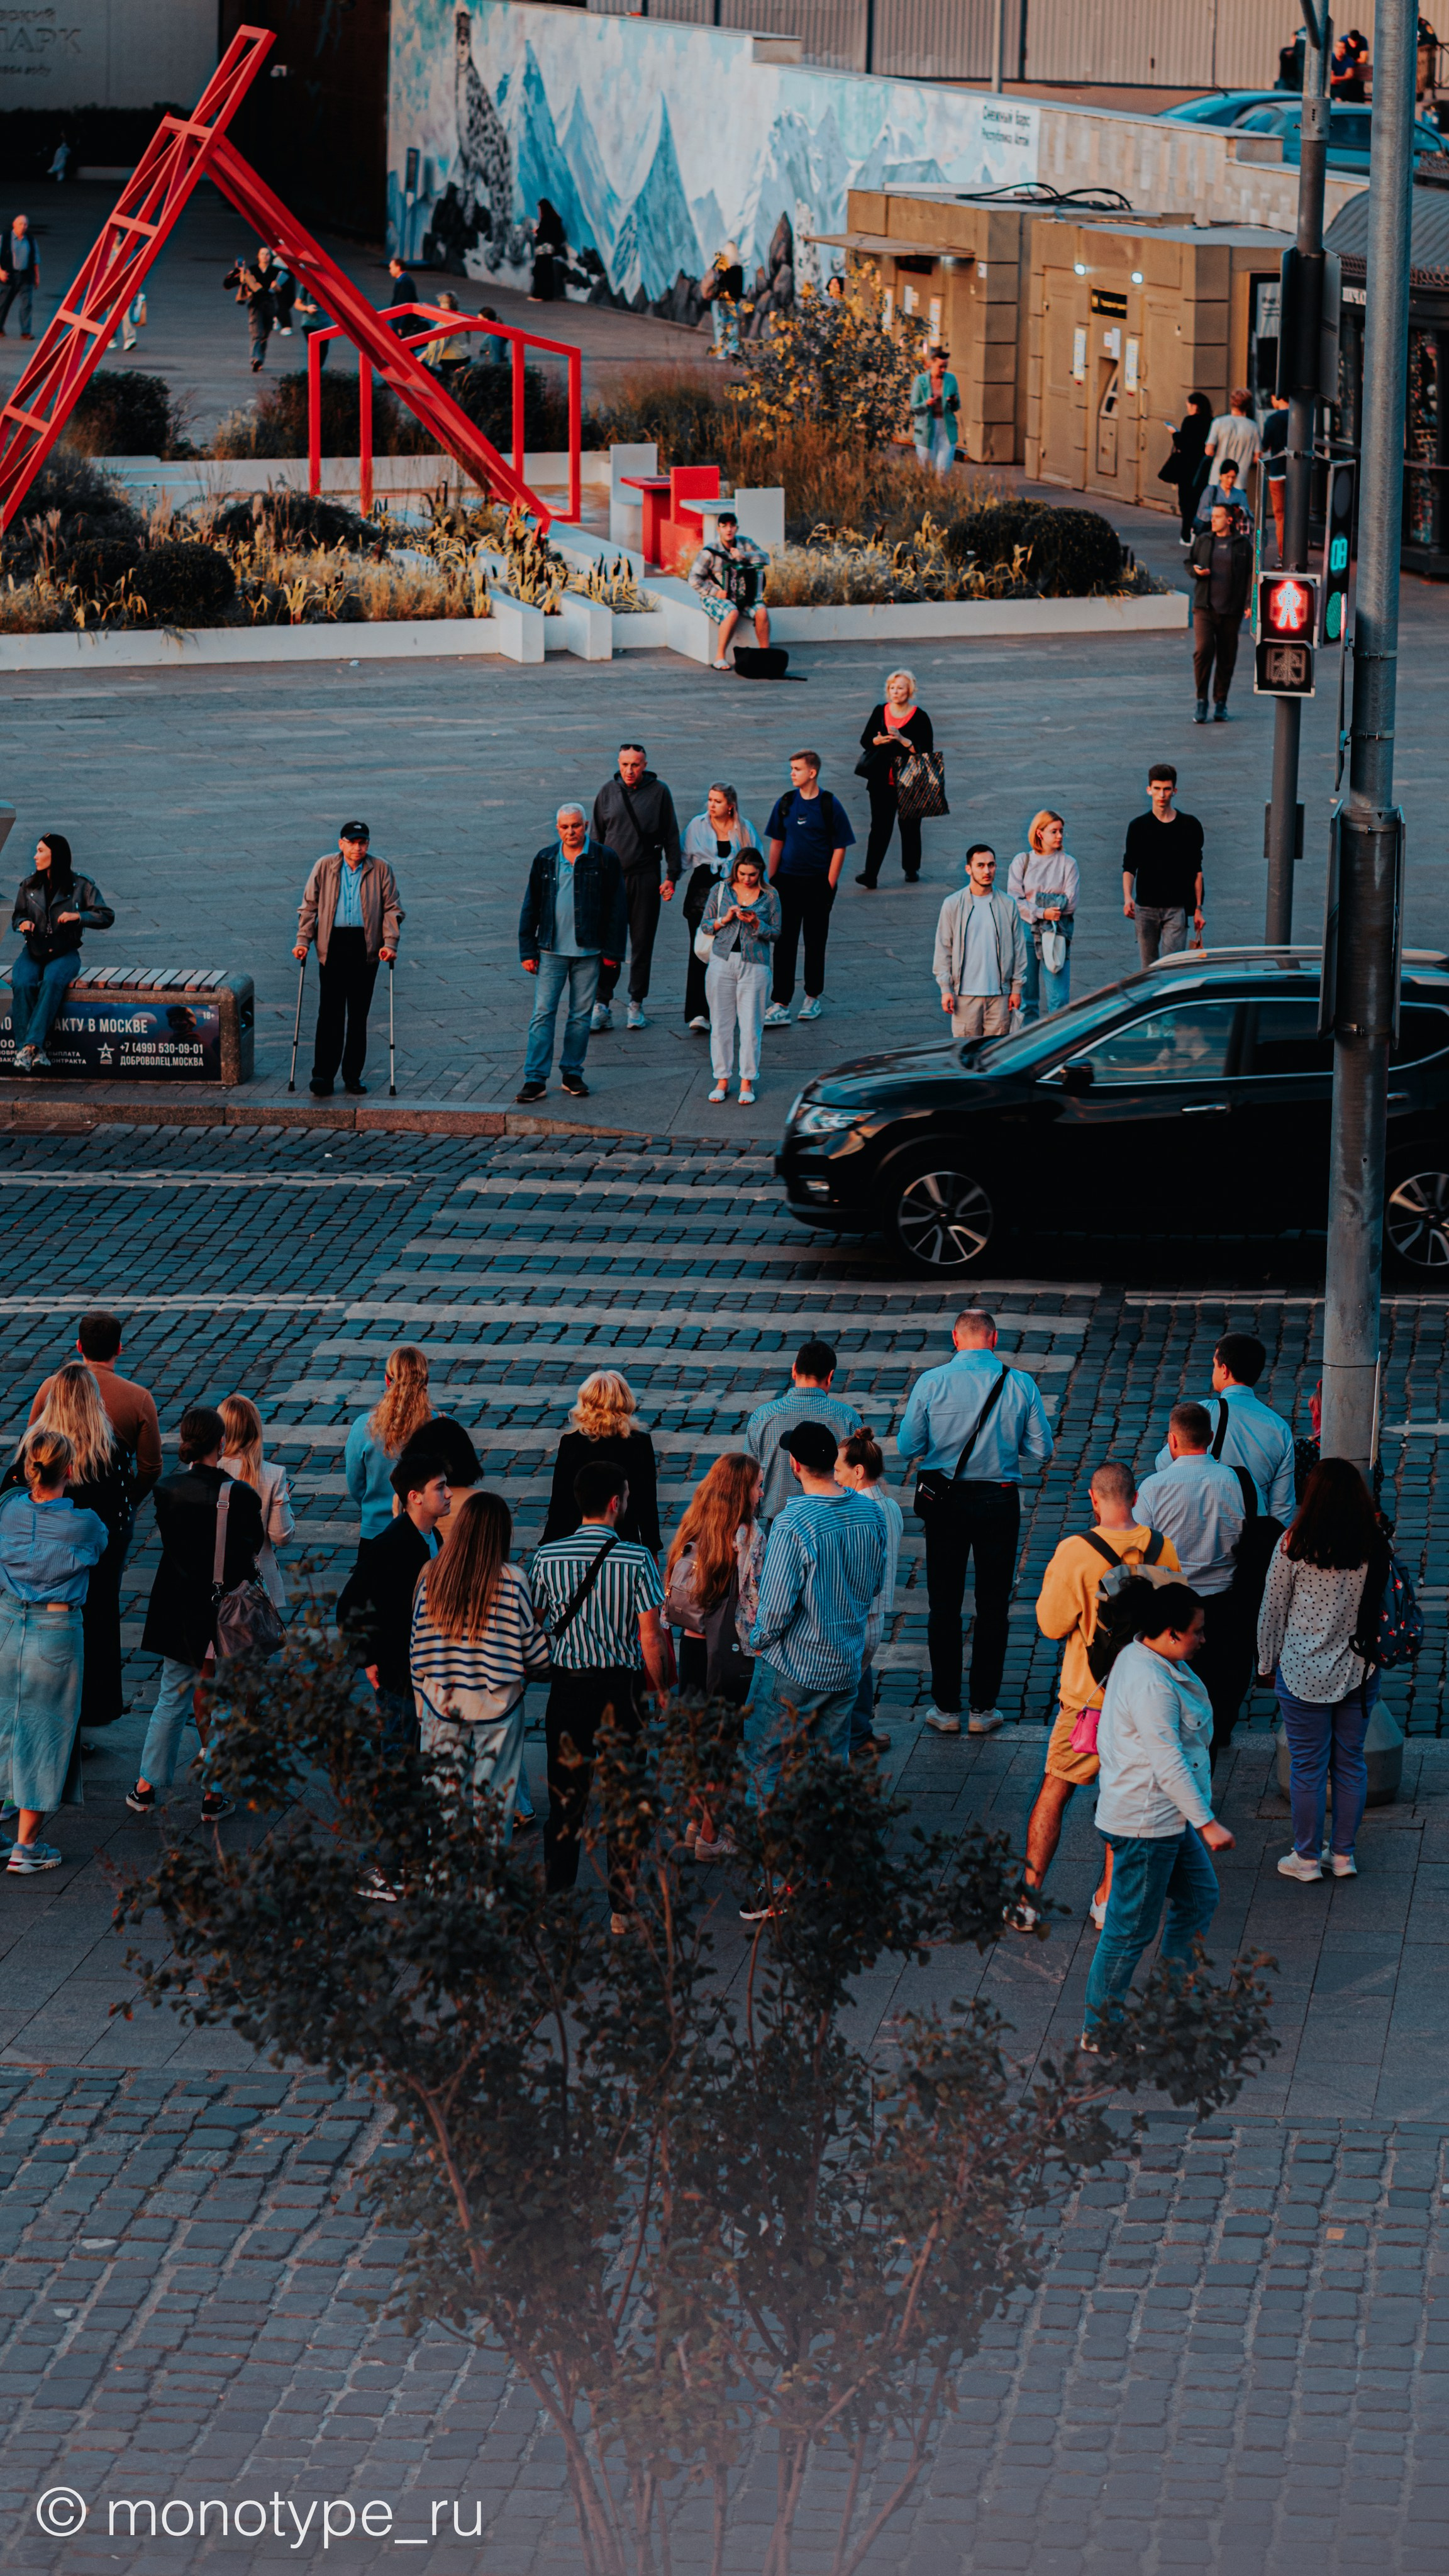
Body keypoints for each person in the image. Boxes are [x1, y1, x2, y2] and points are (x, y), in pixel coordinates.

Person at [1014, 1461, 1180, 1933]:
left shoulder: (1076, 1552)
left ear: (1094, 1497)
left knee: (1055, 1791)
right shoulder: (1161, 1547)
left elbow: (1050, 1625)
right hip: (1143, 1701)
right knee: (1121, 1798)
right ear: (1134, 1497)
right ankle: (1108, 1900)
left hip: (1088, 1701)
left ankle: (1028, 1898)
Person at [1079, 1580, 1235, 2050]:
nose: (1203, 1640)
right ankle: (1101, 2029)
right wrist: (1207, 1823)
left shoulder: (1142, 1657)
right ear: (1169, 1634)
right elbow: (1166, 1761)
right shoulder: (1152, 1683)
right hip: (1147, 1824)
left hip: (1163, 1818)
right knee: (1129, 1931)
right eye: (1196, 1632)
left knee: (1199, 1897)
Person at [528, 1460, 672, 1929]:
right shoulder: (637, 1559)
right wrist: (659, 1691)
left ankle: (557, 1903)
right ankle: (623, 1909)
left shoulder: (547, 1557)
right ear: (616, 1503)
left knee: (566, 1800)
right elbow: (650, 1637)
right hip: (619, 1690)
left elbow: (536, 1622)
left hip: (569, 1691)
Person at [899, 1307, 1053, 1736]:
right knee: (993, 1605)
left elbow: (908, 1445)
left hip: (946, 1500)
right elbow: (1042, 1450)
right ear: (993, 1337)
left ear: (955, 1337)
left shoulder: (932, 1382)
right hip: (998, 1500)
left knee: (943, 1604)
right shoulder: (1020, 1383)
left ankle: (946, 1708)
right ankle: (984, 1708)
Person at [740, 1423, 886, 1875]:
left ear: (795, 1464)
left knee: (764, 1760)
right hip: (845, 1663)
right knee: (831, 1766)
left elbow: (778, 1606)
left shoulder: (792, 1521)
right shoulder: (871, 1513)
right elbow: (875, 1584)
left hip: (794, 1667)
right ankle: (828, 1867)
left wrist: (757, 1640)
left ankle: (769, 1876)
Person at [126, 1406, 267, 1823]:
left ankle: (147, 1785)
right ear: (221, 1444)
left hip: (179, 1611)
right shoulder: (240, 1495)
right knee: (220, 1700)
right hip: (221, 1612)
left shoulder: (167, 1489)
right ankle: (213, 1795)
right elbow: (250, 1551)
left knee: (171, 1697)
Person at [1257, 1458, 1389, 1885]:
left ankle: (1308, 1858)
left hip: (1300, 1672)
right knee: (1350, 1763)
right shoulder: (1372, 1544)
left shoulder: (1293, 1544)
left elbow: (1272, 1611)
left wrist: (1264, 1663)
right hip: (1358, 1669)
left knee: (1308, 1767)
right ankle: (1345, 1855)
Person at [409, 1489, 551, 1839]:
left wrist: (420, 1707)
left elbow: (417, 1648)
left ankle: (440, 1883)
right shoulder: (513, 1580)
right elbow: (533, 1652)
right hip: (498, 1707)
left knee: (441, 1806)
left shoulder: (432, 1575)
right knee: (494, 1808)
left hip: (441, 1704)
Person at [0, 1429, 107, 1874]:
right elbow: (101, 1546)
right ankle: (26, 1845)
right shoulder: (83, 1523)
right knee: (47, 1733)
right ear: (69, 1470)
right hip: (57, 1627)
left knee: (5, 1726)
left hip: (7, 1622)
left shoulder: (7, 1511)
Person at [4, 1370, 129, 1735]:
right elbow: (118, 1518)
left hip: (33, 1582)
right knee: (91, 1642)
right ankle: (81, 1721)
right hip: (90, 1572)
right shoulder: (112, 1451)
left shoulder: (34, 1448)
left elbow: (9, 1502)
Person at [663, 1451, 764, 1860]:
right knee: (722, 1746)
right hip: (726, 1652)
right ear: (742, 1491)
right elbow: (754, 1603)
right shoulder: (749, 1536)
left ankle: (693, 1822)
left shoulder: (694, 1525)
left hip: (691, 1648)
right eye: (758, 1485)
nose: (762, 1492)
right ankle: (710, 1836)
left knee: (698, 1741)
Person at [1135, 1402, 1248, 1762]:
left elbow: (1142, 1547)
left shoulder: (1153, 1487)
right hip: (1222, 1602)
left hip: (1172, 1601)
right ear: (1211, 1438)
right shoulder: (1233, 1481)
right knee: (1213, 1689)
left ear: (1172, 1440)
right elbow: (1241, 1536)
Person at [338, 1448, 452, 1753]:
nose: (449, 1493)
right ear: (415, 1497)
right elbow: (349, 1604)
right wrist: (369, 1659)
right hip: (401, 1676)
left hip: (422, 1672)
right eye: (440, 1487)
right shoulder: (392, 1544)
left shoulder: (432, 1537)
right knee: (400, 1762)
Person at [516, 802, 627, 1103]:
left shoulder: (604, 858)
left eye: (575, 826)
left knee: (580, 1016)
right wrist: (527, 948)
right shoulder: (545, 859)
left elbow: (618, 908)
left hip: (590, 952)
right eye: (565, 827)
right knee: (542, 1014)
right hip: (550, 950)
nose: (570, 832)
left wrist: (614, 952)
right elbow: (531, 904)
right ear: (557, 829)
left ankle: (572, 1073)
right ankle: (535, 1078)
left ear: (586, 825)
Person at [294, 823, 402, 1101]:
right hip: (333, 944)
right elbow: (309, 906)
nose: (358, 848)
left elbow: (392, 909)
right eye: (352, 842)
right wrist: (303, 941)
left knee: (358, 1015)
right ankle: (324, 1075)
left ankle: (352, 1075)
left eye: (363, 843)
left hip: (366, 946)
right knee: (329, 1012)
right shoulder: (325, 866)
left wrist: (389, 944)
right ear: (341, 843)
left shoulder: (380, 869)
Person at [29, 1311, 161, 1514]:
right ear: (119, 1348)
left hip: (53, 1503)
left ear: (79, 1346)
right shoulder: (140, 1398)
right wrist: (128, 1501)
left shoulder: (50, 1388)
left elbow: (32, 1444)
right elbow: (150, 1469)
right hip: (109, 1509)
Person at [1153, 1334, 1296, 1523]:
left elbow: (1163, 1464)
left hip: (1201, 1522)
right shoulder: (1280, 1428)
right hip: (1250, 1538)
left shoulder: (1203, 1413)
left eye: (1215, 1365)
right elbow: (1282, 1507)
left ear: (1225, 1371)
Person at [344, 1346, 480, 1541]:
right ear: (426, 1381)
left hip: (376, 1531)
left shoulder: (363, 1427)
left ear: (387, 1380)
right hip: (429, 1532)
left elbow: (356, 1485)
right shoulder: (444, 1427)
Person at [590, 745, 682, 1032]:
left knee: (642, 943)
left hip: (646, 877)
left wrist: (672, 876)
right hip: (612, 879)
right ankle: (602, 1004)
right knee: (608, 943)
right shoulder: (607, 792)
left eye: (636, 765)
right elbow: (596, 836)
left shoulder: (659, 792)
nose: (630, 770)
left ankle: (636, 1004)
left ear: (645, 765)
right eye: (626, 764)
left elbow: (671, 834)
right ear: (619, 764)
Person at [7, 831, 113, 1075]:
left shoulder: (82, 886)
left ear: (57, 856)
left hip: (65, 951)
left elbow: (106, 916)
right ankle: (32, 1051)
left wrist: (79, 917)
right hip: (34, 949)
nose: (35, 856)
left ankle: (29, 1046)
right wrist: (23, 923)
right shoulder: (29, 886)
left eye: (41, 851)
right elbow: (17, 915)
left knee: (53, 980)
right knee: (22, 982)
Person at [763, 750, 855, 1026]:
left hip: (817, 883)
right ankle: (781, 1003)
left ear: (812, 773)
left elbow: (841, 847)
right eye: (791, 768)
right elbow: (777, 842)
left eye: (797, 769)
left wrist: (829, 883)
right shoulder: (786, 803)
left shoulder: (829, 804)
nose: (792, 773)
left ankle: (812, 997)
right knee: (785, 943)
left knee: (815, 942)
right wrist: (772, 880)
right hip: (787, 883)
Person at [835, 1428, 901, 1758]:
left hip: (856, 1613)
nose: (834, 1476)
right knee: (860, 1677)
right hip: (879, 1614)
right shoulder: (891, 1507)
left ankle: (842, 1743)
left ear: (857, 1472)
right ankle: (859, 1735)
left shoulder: (853, 1511)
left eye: (838, 1470)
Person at [747, 1338, 862, 1528]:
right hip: (833, 1520)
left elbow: (748, 1476)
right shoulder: (847, 1418)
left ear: (794, 1370)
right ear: (830, 1376)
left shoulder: (762, 1417)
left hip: (778, 1523)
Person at [543, 1370, 661, 1554]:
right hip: (624, 1538)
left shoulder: (571, 1442)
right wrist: (651, 1546)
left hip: (577, 1536)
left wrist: (550, 1543)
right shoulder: (639, 1443)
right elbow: (646, 1501)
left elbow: (560, 1499)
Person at [698, 848, 780, 1107]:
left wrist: (757, 924)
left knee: (751, 1026)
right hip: (722, 961)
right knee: (721, 1024)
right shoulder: (721, 890)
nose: (747, 879)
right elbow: (705, 924)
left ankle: (747, 1080)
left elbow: (777, 933)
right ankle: (722, 1079)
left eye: (753, 875)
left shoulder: (770, 895)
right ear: (735, 870)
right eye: (743, 874)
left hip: (755, 964)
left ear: (760, 872)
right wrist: (725, 919)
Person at [680, 783, 763, 1030]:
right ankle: (698, 1013)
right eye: (710, 799)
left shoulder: (744, 829)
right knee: (700, 951)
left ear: (731, 806)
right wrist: (669, 881)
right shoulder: (698, 825)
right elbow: (683, 858)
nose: (711, 805)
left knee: (729, 953)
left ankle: (725, 1010)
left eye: (717, 801)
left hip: (733, 896)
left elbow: (755, 863)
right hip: (701, 895)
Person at [932, 844, 1027, 1040]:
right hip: (964, 997)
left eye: (991, 865)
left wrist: (1016, 989)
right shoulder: (953, 904)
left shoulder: (1008, 904)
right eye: (981, 865)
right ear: (969, 869)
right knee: (965, 1054)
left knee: (996, 1054)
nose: (987, 871)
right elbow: (943, 948)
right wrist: (945, 990)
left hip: (1000, 997)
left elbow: (1019, 949)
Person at [855, 669, 934, 889]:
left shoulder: (920, 716)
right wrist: (877, 741)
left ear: (910, 690)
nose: (895, 691)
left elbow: (926, 750)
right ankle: (870, 874)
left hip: (911, 780)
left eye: (900, 687)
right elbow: (865, 740)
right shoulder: (880, 711)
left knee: (909, 826)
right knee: (879, 827)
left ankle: (911, 868)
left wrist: (904, 740)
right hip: (881, 781)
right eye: (892, 687)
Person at [1121, 764, 1205, 967]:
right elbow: (1130, 866)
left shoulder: (1189, 825)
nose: (1162, 794)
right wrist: (1127, 897)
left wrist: (1199, 908)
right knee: (1148, 966)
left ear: (1174, 791)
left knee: (1172, 966)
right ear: (1149, 790)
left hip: (1177, 908)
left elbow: (1197, 870)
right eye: (1157, 789)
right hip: (1145, 907)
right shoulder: (1138, 827)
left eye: (1167, 789)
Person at [219, 1394, 295, 1614]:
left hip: (214, 1579)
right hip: (258, 1585)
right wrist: (285, 1501)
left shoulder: (203, 1469)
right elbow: (282, 1535)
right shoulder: (273, 1474)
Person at [1008, 811, 1080, 1021]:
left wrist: (1035, 903)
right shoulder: (1023, 861)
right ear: (1040, 833)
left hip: (1057, 932)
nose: (1059, 836)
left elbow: (1070, 903)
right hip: (1027, 932)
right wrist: (1044, 911)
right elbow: (1015, 900)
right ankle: (1031, 1044)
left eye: (1061, 831)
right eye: (1054, 831)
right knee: (1028, 997)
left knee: (1058, 998)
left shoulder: (1069, 863)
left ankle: (1058, 1043)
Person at [1188, 501, 1252, 724]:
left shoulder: (1242, 544)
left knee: (1227, 657)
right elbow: (1190, 562)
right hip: (1204, 607)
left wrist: (1249, 602)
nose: (1212, 520)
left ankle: (1221, 702)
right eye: (1212, 516)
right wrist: (1195, 571)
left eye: (1217, 517)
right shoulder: (1204, 540)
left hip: (1231, 610)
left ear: (1229, 520)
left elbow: (1249, 576)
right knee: (1203, 651)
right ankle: (1201, 701)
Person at [688, 512, 772, 675]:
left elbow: (765, 558)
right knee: (732, 612)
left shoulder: (745, 543)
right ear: (718, 528)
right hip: (715, 596)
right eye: (724, 526)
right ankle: (719, 657)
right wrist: (715, 591)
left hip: (743, 596)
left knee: (761, 612)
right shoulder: (710, 552)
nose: (729, 529)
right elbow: (693, 578)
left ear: (737, 528)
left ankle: (766, 655)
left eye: (732, 526)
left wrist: (744, 556)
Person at [1163, 390, 1213, 544]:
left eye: (1189, 405)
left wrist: (1174, 433)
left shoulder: (1189, 421)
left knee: (1186, 502)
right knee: (1201, 500)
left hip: (1187, 467)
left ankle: (1186, 535)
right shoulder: (1211, 421)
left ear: (1195, 406)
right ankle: (1200, 531)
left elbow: (1183, 443)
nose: (1188, 409)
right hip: (1204, 467)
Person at [223, 248, 277, 372]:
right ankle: (255, 359)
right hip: (256, 304)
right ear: (258, 256)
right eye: (262, 254)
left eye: (267, 254)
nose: (265, 256)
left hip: (270, 304)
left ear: (270, 257)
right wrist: (238, 270)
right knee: (257, 333)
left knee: (266, 333)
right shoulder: (251, 270)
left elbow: (284, 290)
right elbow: (228, 284)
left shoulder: (275, 271)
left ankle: (260, 359)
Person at [909, 345, 959, 478]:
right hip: (927, 426)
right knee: (925, 465)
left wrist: (953, 401)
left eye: (946, 367)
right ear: (932, 363)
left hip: (946, 426)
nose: (943, 370)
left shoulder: (951, 380)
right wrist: (926, 404)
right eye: (940, 366)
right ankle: (926, 493)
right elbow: (914, 407)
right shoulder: (920, 381)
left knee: (944, 467)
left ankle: (941, 493)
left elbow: (957, 406)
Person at [1202, 388, 1260, 491]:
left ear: (1232, 403)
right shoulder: (1254, 427)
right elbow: (1257, 457)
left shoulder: (1219, 422)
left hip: (1218, 478)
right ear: (1247, 406)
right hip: (1240, 480)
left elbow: (1209, 451)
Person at [1262, 391, 1290, 564]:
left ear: (1277, 397)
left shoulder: (1273, 419)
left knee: (1281, 516)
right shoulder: (1302, 415)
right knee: (1298, 514)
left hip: (1278, 471)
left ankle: (1283, 555)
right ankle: (1299, 553)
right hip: (1299, 472)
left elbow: (1265, 445)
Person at [0, 214, 38, 339]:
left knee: (27, 304)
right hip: (10, 276)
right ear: (14, 225)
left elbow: (36, 259)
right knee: (3, 303)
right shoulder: (5, 238)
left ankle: (26, 332)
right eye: (21, 224)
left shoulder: (30, 240)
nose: (23, 227)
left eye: (25, 225)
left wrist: (37, 277)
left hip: (26, 276)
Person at [704, 242, 744, 358]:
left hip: (720, 300)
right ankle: (734, 349)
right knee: (732, 325)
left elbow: (712, 278)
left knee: (720, 326)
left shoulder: (720, 265)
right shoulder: (738, 267)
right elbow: (740, 286)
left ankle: (722, 353)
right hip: (733, 301)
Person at [419, 289, 470, 379]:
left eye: (442, 304)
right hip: (464, 355)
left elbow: (439, 344)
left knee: (422, 362)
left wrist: (423, 356)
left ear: (448, 305)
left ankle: (440, 379)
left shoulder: (445, 322)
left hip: (452, 358)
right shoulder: (462, 317)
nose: (440, 306)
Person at [1194, 452, 1246, 530]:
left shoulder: (1240, 494)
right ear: (1221, 476)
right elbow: (1201, 512)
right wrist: (1221, 513)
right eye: (1227, 477)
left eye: (1233, 477)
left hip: (1232, 532)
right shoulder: (1211, 490)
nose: (1230, 481)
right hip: (1211, 531)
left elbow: (1249, 515)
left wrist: (1240, 513)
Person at [528, 199, 566, 302]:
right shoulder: (556, 219)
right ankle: (547, 295)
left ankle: (539, 294)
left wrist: (537, 232)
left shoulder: (546, 219)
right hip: (551, 250)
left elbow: (544, 233)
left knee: (540, 271)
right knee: (547, 272)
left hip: (543, 250)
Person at [386, 252, 419, 322]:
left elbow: (404, 303)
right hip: (401, 319)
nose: (390, 271)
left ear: (398, 268)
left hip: (403, 321)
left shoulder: (405, 282)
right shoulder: (404, 281)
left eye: (391, 268)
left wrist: (401, 324)